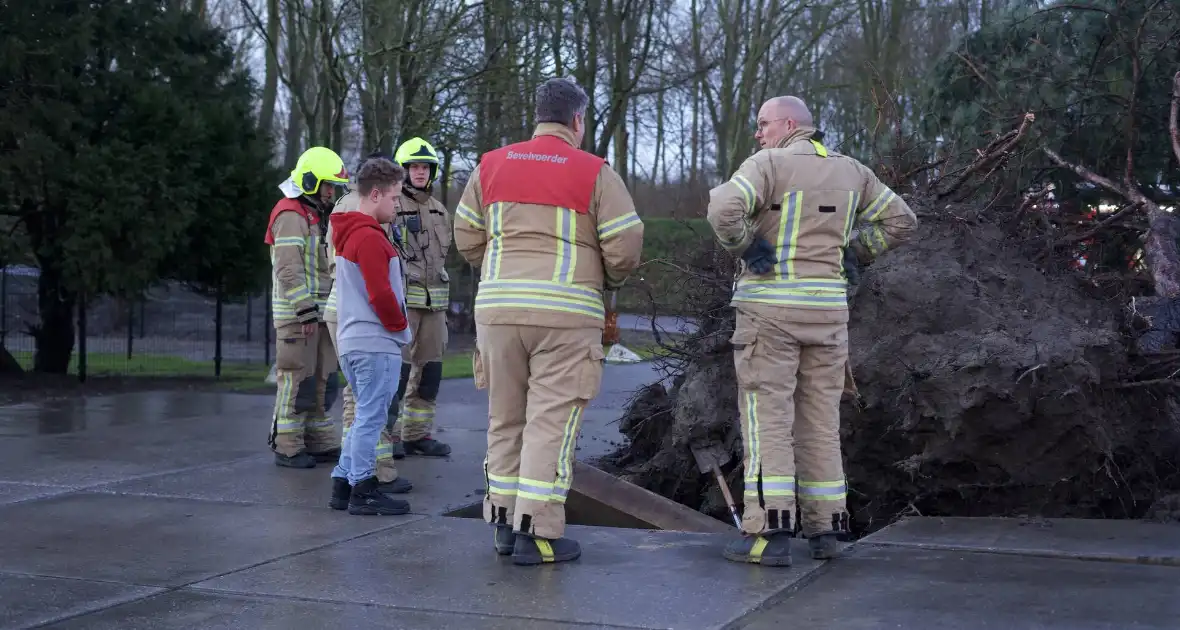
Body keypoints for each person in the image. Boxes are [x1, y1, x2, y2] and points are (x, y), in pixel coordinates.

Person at [706, 95, 918, 566]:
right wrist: (858, 252)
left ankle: (769, 533)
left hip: (770, 315)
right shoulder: (852, 171)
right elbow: (902, 221)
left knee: (768, 420)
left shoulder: (768, 164)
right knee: (821, 423)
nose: (758, 133)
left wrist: (746, 246)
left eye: (763, 123)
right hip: (828, 318)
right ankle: (826, 530)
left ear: (787, 124)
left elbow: (722, 208)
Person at [454, 76, 645, 565]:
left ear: (537, 115)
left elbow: (466, 238)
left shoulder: (491, 166)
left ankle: (501, 522)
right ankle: (536, 533)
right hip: (565, 317)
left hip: (497, 313)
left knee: (505, 419)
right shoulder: (595, 172)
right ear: (577, 120)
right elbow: (624, 248)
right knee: (549, 424)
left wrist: (502, 268)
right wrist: (603, 276)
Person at [327, 156, 415, 516]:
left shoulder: (351, 234)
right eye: (394, 198)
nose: (397, 205)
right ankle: (363, 488)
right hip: (374, 343)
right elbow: (381, 295)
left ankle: (342, 483)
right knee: (371, 419)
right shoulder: (370, 238)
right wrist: (399, 329)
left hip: (354, 341)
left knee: (363, 416)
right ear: (375, 194)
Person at [264, 146, 348, 469]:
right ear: (311, 181)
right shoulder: (290, 213)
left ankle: (318, 440)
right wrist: (304, 309)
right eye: (327, 185)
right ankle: (287, 446)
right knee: (296, 379)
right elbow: (288, 267)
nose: (331, 191)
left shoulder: (319, 214)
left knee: (322, 379)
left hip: (321, 313)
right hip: (298, 316)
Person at [386, 136, 454, 458]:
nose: (419, 172)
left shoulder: (440, 211)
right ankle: (389, 435)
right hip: (402, 303)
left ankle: (418, 434)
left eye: (425, 167)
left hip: (435, 305)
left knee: (430, 373)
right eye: (413, 166)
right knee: (396, 373)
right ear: (403, 170)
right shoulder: (391, 205)